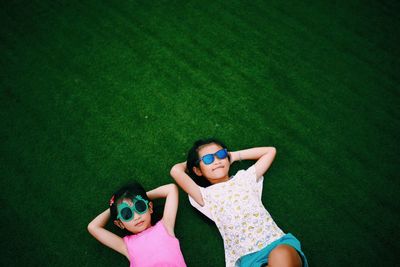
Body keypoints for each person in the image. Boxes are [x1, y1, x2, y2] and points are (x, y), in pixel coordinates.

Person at [170, 138, 308, 267]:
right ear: (198, 171)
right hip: (247, 258)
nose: (217, 160)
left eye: (221, 154)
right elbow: (176, 170)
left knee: (280, 254)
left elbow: (270, 151)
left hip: (276, 242)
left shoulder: (245, 178)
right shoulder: (203, 196)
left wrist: (233, 156)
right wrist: (191, 163)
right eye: (208, 159)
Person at [87, 182, 187, 267]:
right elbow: (93, 227)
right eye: (126, 214)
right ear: (120, 224)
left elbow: (171, 189)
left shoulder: (165, 226)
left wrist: (140, 197)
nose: (136, 216)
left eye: (140, 206)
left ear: (150, 208)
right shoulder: (125, 245)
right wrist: (114, 208)